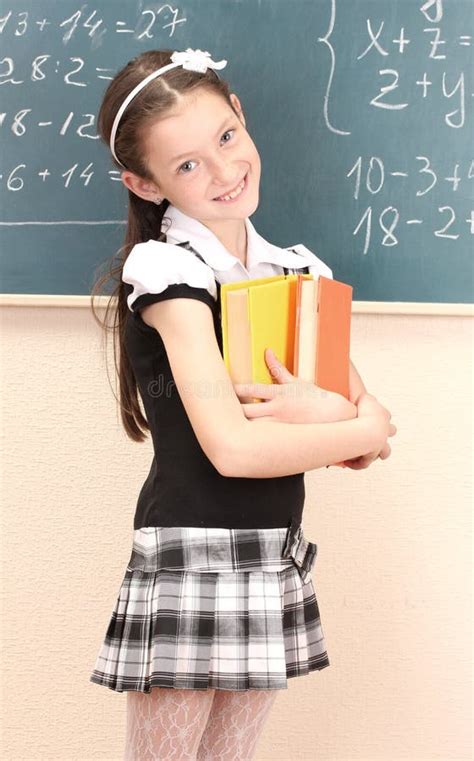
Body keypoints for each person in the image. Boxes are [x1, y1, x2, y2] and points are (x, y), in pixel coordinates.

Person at [89, 47, 396, 760]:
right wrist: (346, 419)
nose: (225, 171)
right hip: (191, 552)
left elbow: (370, 440)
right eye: (188, 163)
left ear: (243, 118)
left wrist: (340, 420)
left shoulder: (294, 270)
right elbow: (236, 448)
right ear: (144, 181)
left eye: (227, 137)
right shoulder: (167, 271)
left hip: (270, 554)